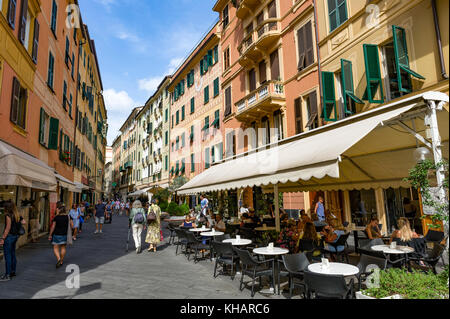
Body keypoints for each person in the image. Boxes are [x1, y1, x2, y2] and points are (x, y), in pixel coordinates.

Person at [0, 202, 26, 281]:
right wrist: (17, 224)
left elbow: (7, 228)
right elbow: (24, 222)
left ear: (7, 208)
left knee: (7, 256)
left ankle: (7, 275)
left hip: (9, 237)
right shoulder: (17, 215)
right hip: (15, 236)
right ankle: (12, 272)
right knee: (12, 254)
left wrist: (2, 238)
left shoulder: (8, 215)